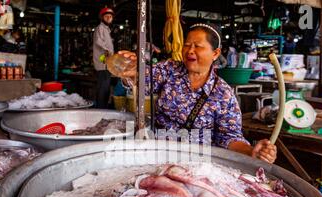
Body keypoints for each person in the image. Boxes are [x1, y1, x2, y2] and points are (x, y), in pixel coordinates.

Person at [118, 23, 277, 163]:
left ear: (215, 53)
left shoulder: (223, 94)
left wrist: (251, 151)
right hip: (157, 154)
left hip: (197, 164)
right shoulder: (170, 69)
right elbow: (141, 81)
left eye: (198, 46)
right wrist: (131, 70)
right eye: (187, 45)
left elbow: (229, 137)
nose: (190, 51)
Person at [93, 7, 115, 109]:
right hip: (102, 64)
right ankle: (100, 109)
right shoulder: (100, 28)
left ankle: (103, 108)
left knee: (105, 88)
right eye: (107, 16)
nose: (109, 18)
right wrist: (108, 50)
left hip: (107, 64)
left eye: (110, 16)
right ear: (102, 18)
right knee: (103, 88)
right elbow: (98, 41)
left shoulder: (107, 30)